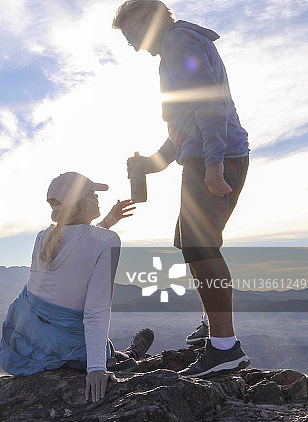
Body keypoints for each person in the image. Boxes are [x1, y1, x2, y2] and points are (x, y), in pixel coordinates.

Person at [112, 0, 251, 377]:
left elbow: (208, 103)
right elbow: (183, 130)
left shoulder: (178, 43)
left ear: (148, 21)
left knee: (200, 246)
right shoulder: (180, 44)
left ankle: (224, 347)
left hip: (216, 157)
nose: (129, 43)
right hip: (211, 155)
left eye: (130, 33)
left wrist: (213, 163)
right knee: (192, 243)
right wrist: (151, 165)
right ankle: (213, 331)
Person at [0, 171, 154, 403]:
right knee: (100, 351)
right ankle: (130, 356)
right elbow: (96, 309)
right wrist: (96, 370)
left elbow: (77, 250)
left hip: (25, 335)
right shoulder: (107, 240)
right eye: (93, 194)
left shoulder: (43, 237)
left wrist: (105, 223)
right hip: (61, 341)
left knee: (84, 340)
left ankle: (116, 355)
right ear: (82, 203)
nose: (97, 198)